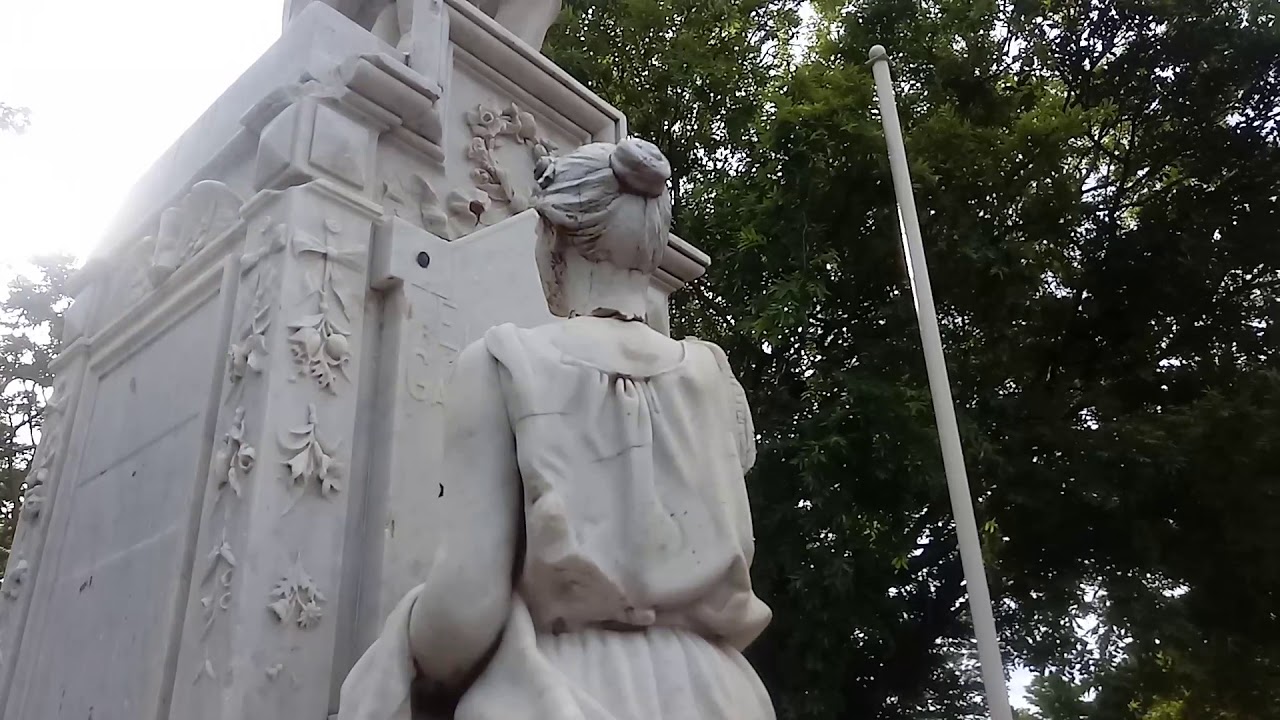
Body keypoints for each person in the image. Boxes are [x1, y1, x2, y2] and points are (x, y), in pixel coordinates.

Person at [339, 138, 774, 720]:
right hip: (724, 695)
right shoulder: (715, 380)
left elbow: (467, 606)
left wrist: (396, 661)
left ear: (552, 239)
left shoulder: (503, 363)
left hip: (565, 690)